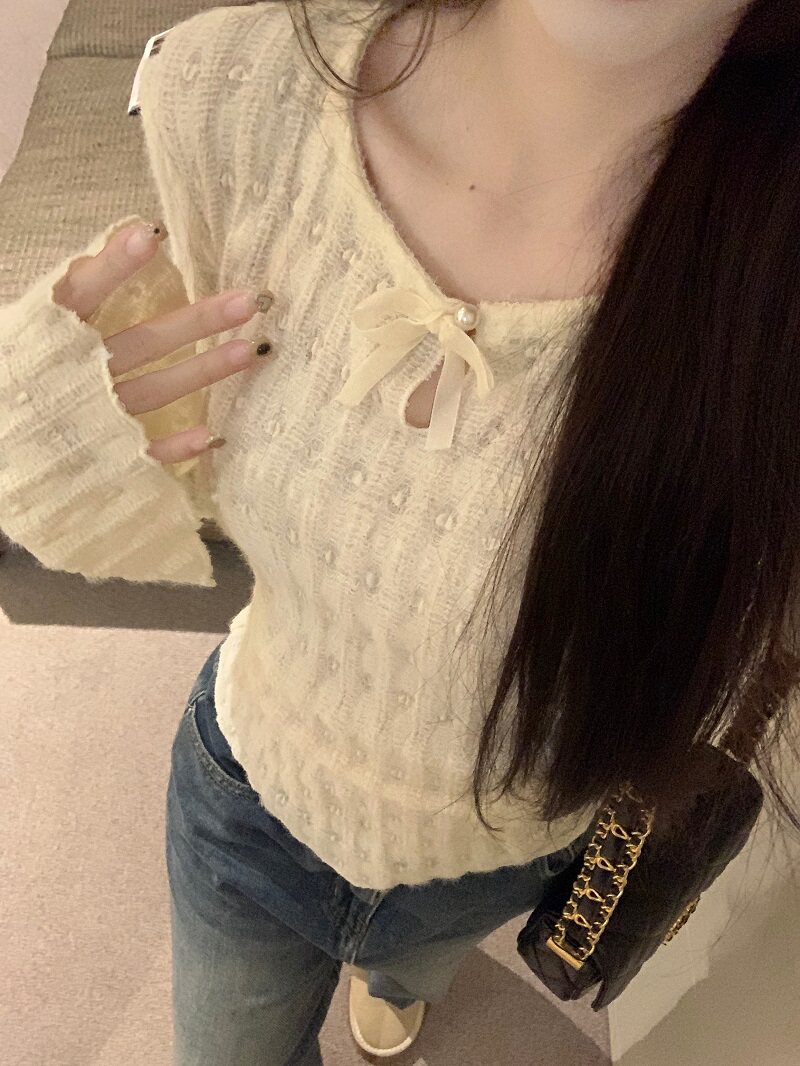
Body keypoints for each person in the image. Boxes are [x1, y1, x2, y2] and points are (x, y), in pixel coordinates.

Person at [1, 0, 799, 1063]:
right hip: (249, 789)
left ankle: (393, 975)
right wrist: (55, 430)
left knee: (410, 965)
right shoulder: (237, 94)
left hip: (499, 849)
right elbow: (177, 464)